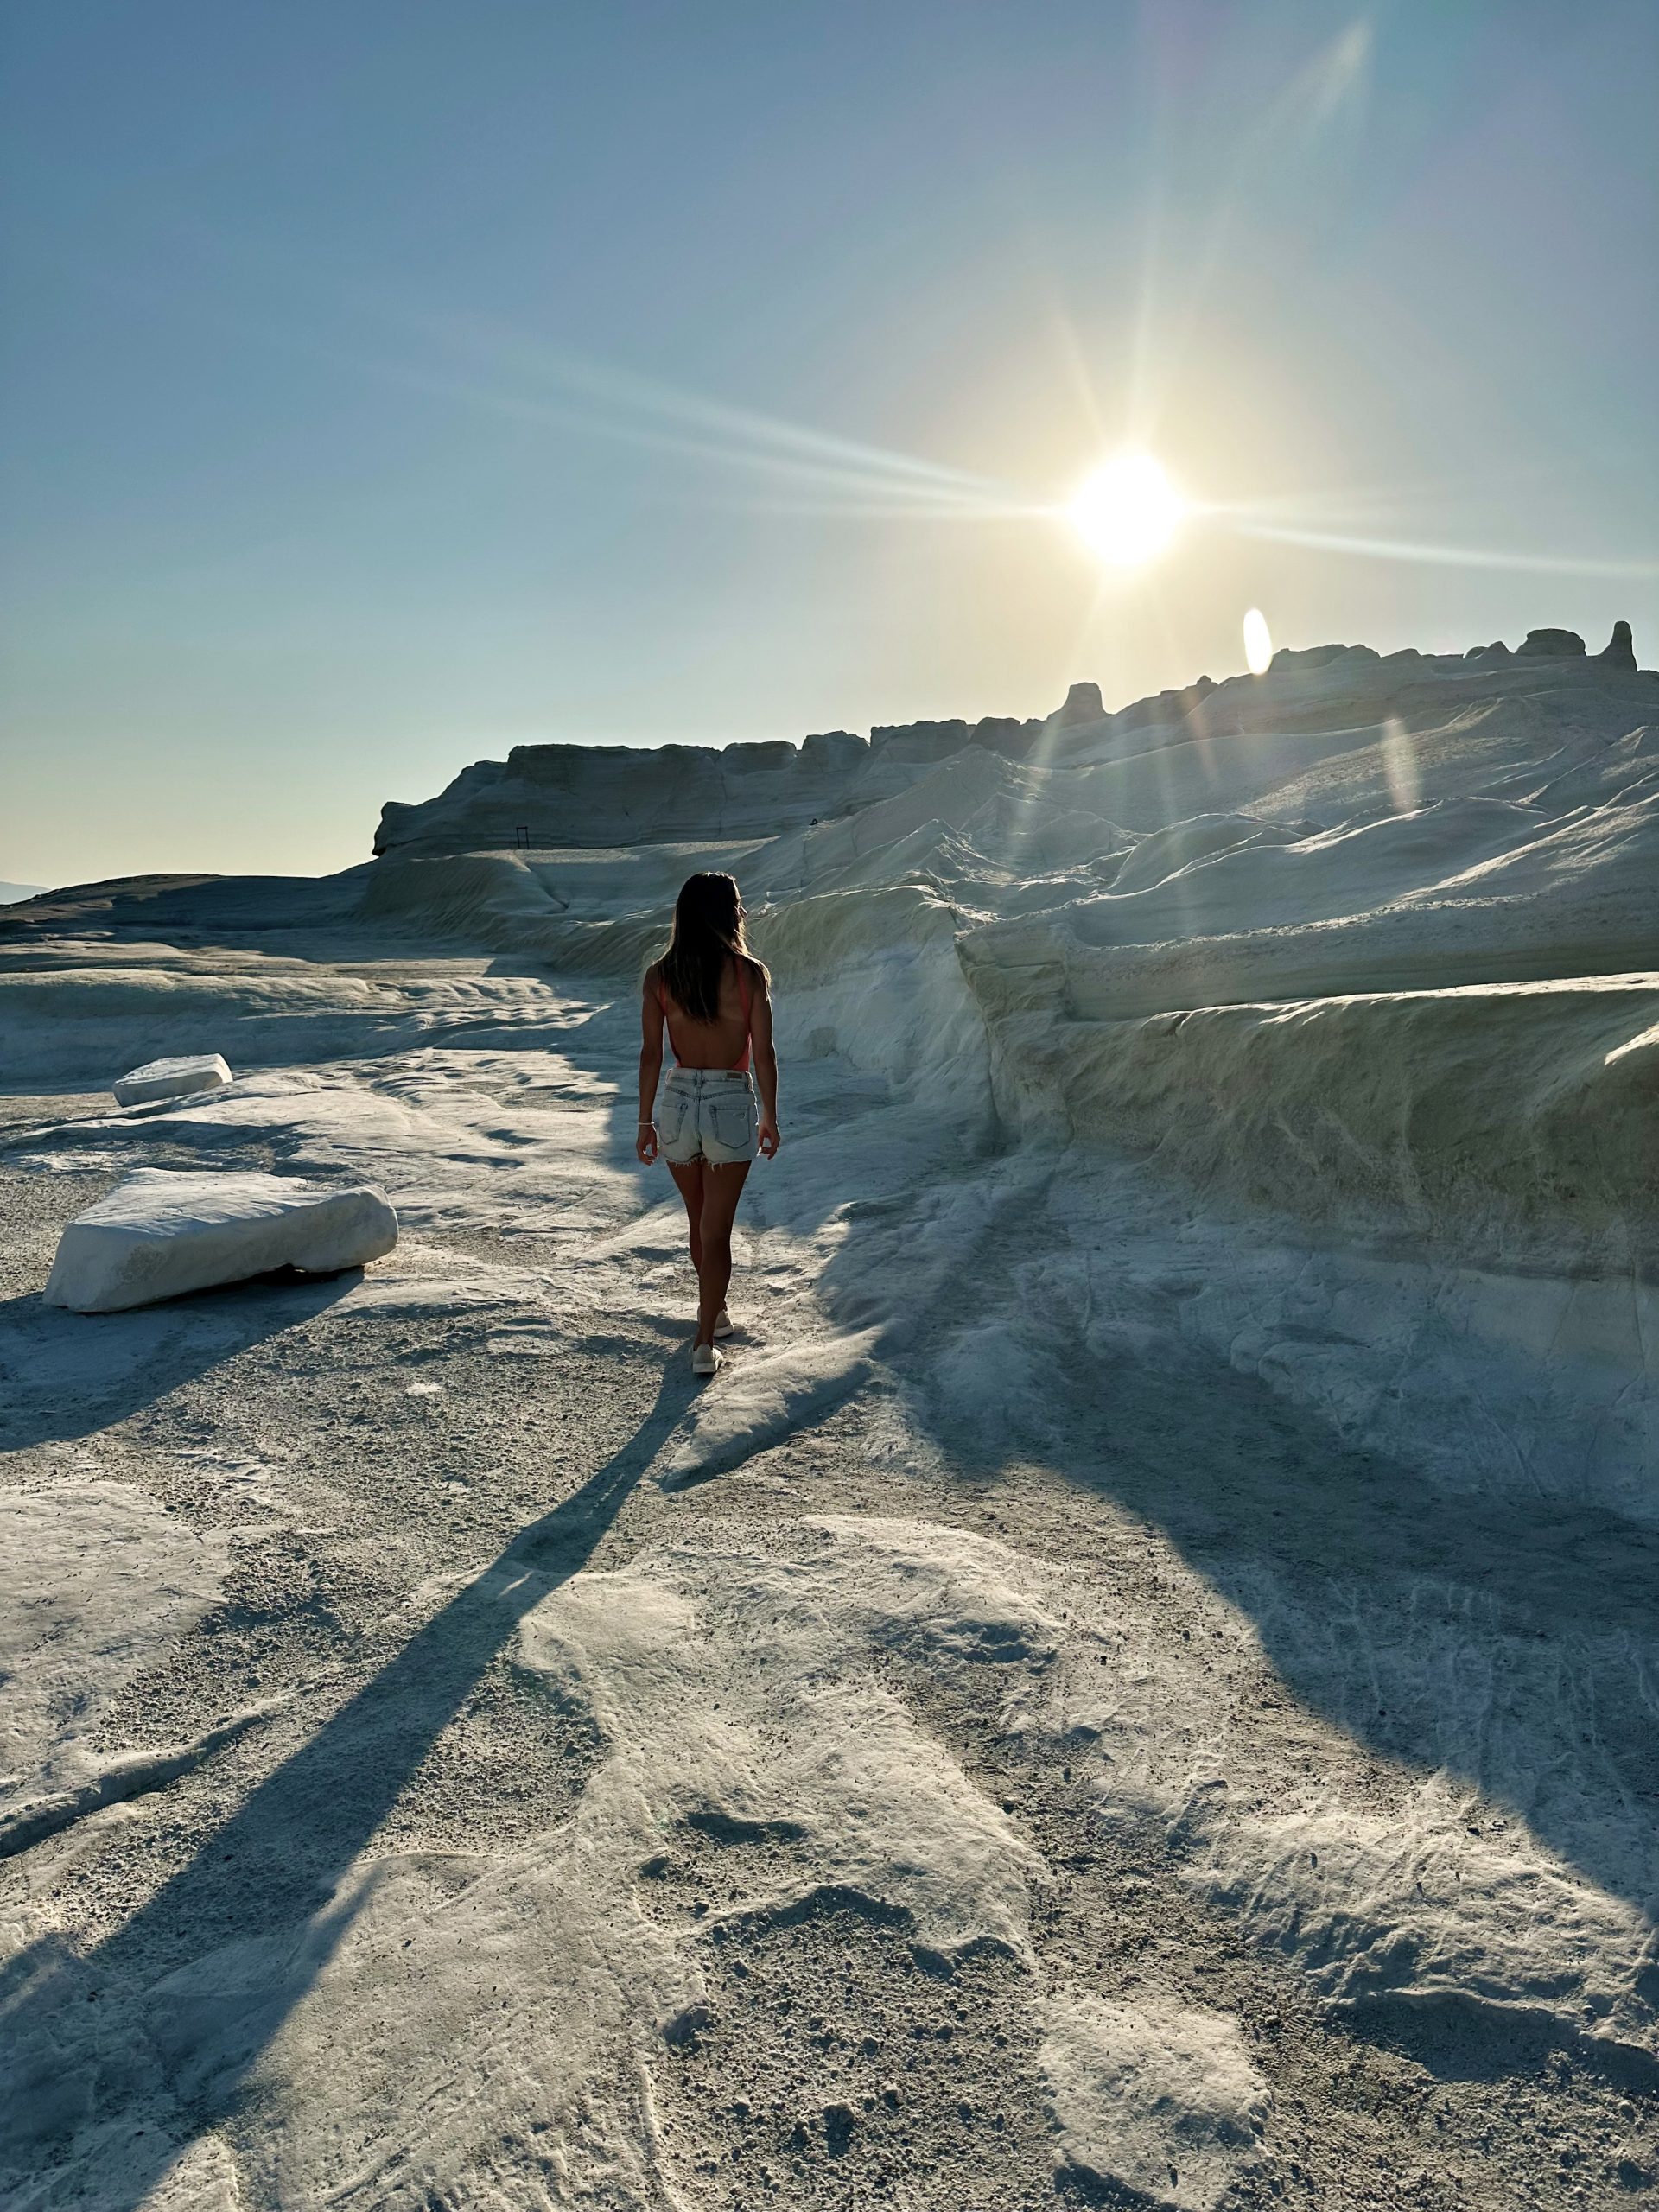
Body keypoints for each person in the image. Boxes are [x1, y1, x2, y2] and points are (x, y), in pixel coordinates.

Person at [637, 872, 780, 1376]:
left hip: (676, 1101)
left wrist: (643, 1122)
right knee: (716, 1229)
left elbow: (652, 1054)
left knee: (699, 1221)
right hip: (727, 1099)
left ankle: (715, 1313)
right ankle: (704, 1342)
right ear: (728, 912)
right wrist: (770, 1118)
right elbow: (762, 1053)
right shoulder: (748, 975)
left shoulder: (660, 975)